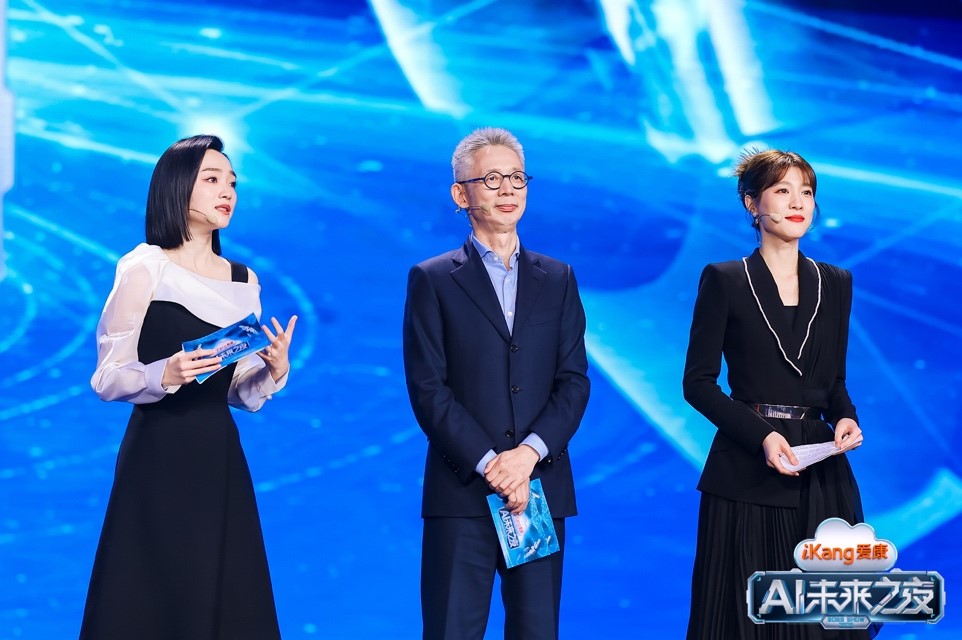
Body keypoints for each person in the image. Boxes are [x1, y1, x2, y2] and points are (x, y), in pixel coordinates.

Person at [80, 135, 297, 640]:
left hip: (218, 454)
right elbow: (107, 377)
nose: (227, 192)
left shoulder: (244, 281)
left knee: (223, 590)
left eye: (233, 183)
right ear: (177, 187)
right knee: (151, 593)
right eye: (212, 179)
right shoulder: (144, 267)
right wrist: (164, 373)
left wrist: (273, 370)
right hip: (156, 453)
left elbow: (239, 391)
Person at [402, 127, 590, 640]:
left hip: (538, 490)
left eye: (516, 177)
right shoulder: (432, 279)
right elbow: (428, 389)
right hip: (462, 490)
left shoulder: (558, 278)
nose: (507, 189)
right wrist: (492, 464)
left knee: (536, 630)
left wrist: (526, 457)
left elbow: (574, 382)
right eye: (491, 179)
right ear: (461, 194)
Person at [683, 149, 876, 639]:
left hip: (821, 471)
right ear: (752, 203)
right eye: (782, 190)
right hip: (749, 467)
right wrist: (763, 437)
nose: (797, 203)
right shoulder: (725, 279)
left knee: (826, 617)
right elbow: (698, 384)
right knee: (750, 616)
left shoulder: (836, 282)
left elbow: (834, 382)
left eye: (806, 192)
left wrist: (846, 417)